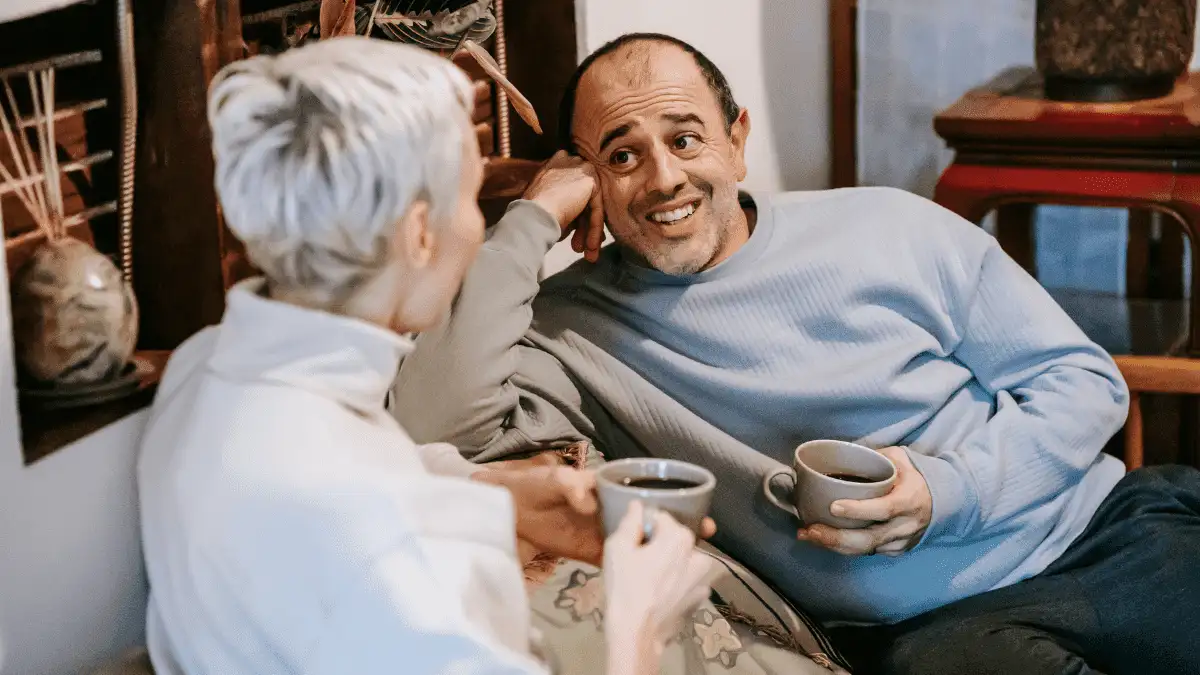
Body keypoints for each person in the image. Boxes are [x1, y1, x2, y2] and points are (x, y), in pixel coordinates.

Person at [391, 32, 1200, 675]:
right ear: (589, 178)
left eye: (686, 137)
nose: (664, 179)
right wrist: (531, 221)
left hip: (1104, 533)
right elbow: (434, 419)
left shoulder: (889, 225)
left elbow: (1083, 381)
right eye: (622, 154)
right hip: (938, 636)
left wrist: (945, 493)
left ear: (737, 139)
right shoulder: (574, 329)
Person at [134, 36, 718, 675]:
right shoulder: (376, 546)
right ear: (418, 234)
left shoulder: (201, 369)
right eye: (471, 199)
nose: (477, 229)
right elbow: (349, 516)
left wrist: (493, 492)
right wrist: (641, 625)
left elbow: (353, 474)